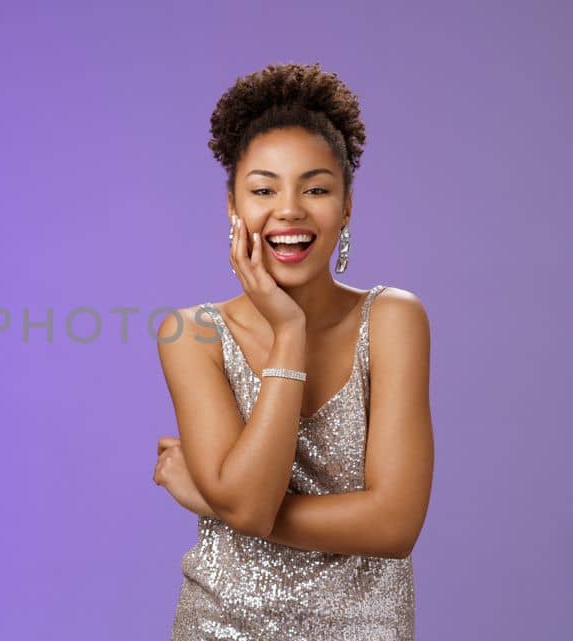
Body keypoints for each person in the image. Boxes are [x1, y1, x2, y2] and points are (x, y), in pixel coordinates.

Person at [151, 62, 434, 640]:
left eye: (316, 188)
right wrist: (289, 331)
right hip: (218, 625)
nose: (289, 210)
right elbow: (250, 507)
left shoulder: (392, 320)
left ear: (347, 206)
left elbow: (395, 525)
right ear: (232, 206)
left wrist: (216, 502)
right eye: (262, 189)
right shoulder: (191, 333)